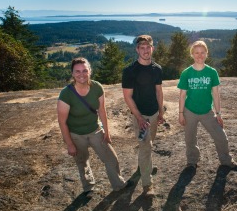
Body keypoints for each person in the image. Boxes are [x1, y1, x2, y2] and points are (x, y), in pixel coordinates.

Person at [57, 57, 131, 196]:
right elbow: (62, 121)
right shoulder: (66, 94)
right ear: (72, 74)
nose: (81, 74)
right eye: (77, 71)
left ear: (90, 71)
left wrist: (107, 132)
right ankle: (88, 187)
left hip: (95, 130)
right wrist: (69, 144)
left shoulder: (97, 87)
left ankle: (119, 184)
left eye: (85, 70)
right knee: (82, 161)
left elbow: (102, 110)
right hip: (76, 134)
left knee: (111, 158)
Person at [177, 40, 237, 170]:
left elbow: (216, 94)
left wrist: (218, 114)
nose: (199, 56)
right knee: (190, 140)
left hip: (207, 111)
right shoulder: (186, 73)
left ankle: (226, 160)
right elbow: (182, 95)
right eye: (196, 53)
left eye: (202, 53)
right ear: (192, 54)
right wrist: (181, 114)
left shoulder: (212, 72)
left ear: (207, 54)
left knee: (221, 137)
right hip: (190, 111)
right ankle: (192, 162)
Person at [122, 35, 164, 197]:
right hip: (141, 117)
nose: (146, 50)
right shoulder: (130, 71)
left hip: (153, 114)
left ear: (152, 48)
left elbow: (159, 92)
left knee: (149, 143)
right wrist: (139, 118)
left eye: (148, 47)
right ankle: (147, 185)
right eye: (142, 48)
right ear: (137, 50)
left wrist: (160, 112)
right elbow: (128, 97)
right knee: (146, 146)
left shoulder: (157, 69)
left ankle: (143, 166)